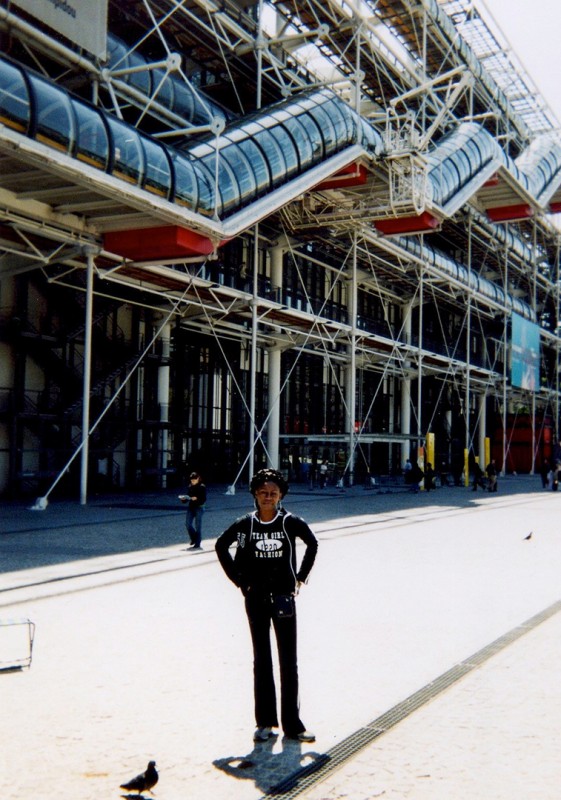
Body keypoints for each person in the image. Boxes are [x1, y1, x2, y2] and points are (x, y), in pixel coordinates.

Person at [215, 468, 318, 743]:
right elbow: (221, 545)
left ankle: (293, 726)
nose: (268, 497)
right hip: (256, 599)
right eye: (263, 493)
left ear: (281, 495)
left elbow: (312, 543)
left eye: (273, 493)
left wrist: (300, 578)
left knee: (288, 662)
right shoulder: (245, 524)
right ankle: (265, 723)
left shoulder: (290, 522)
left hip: (284, 598)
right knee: (262, 660)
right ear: (255, 495)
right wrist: (239, 581)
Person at [180, 472, 207, 550]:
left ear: (198, 479)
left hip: (199, 507)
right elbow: (188, 497)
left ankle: (197, 543)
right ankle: (194, 538)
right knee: (187, 524)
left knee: (198, 526)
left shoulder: (202, 487)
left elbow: (204, 499)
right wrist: (184, 499)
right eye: (192, 481)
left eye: (194, 481)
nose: (193, 482)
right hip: (191, 507)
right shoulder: (190, 486)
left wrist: (197, 498)